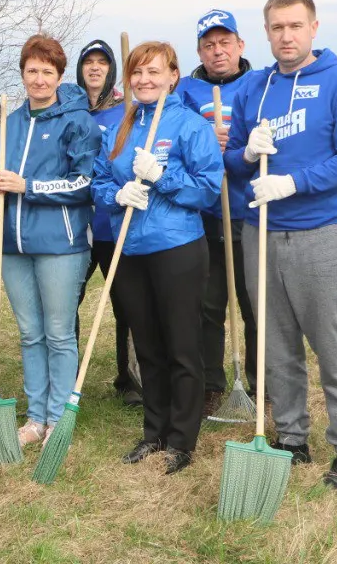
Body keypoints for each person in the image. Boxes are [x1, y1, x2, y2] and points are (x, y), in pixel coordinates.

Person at [225, 0, 337, 493]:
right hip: (261, 235)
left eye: (295, 26)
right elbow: (228, 161)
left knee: (334, 348)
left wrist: (294, 182)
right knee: (275, 345)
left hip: (322, 236)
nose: (286, 36)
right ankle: (291, 439)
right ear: (265, 32)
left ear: (313, 27)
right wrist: (245, 154)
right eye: (276, 28)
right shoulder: (252, 89)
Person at [91, 41, 221, 475]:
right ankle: (155, 432)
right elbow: (98, 180)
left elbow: (208, 188)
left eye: (154, 72)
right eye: (137, 73)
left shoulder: (188, 125)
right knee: (147, 346)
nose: (144, 80)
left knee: (182, 346)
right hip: (130, 249)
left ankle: (182, 439)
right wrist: (116, 193)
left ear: (172, 76)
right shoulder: (121, 127)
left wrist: (164, 176)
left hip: (178, 248)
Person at [0, 34, 100, 448]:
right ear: (22, 73)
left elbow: (85, 183)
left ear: (59, 76)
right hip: (14, 245)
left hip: (61, 244)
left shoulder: (76, 121)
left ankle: (58, 419)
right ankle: (35, 417)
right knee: (29, 333)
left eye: (47, 72)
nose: (38, 79)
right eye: (31, 71)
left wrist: (26, 186)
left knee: (58, 333)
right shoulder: (8, 124)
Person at [174, 10, 264, 416]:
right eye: (209, 45)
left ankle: (262, 384)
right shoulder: (186, 92)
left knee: (254, 303)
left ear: (240, 46)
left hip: (250, 209)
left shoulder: (261, 83)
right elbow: (172, 134)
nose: (218, 51)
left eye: (224, 43)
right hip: (206, 213)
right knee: (208, 305)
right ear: (200, 51)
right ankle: (212, 383)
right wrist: (202, 140)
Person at [72, 39, 142, 407]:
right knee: (68, 302)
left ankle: (131, 379)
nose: (95, 68)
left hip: (117, 224)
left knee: (128, 304)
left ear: (111, 69)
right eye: (88, 62)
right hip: (79, 226)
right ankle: (67, 379)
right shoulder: (67, 108)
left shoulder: (126, 109)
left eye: (102, 62)